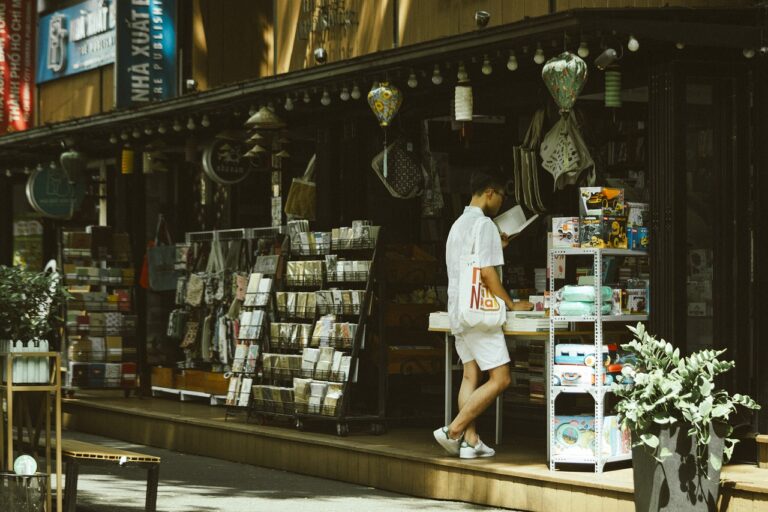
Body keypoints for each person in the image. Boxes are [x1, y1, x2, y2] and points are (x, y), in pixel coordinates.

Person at [434, 171, 514, 459]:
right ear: (490, 192)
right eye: (502, 196)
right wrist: (511, 303)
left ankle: (470, 441)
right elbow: (487, 272)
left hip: (459, 311)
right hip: (480, 313)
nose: (502, 204)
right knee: (501, 378)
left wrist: (497, 245)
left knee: (470, 375)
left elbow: (467, 263)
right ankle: (453, 430)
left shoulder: (457, 225)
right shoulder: (485, 225)